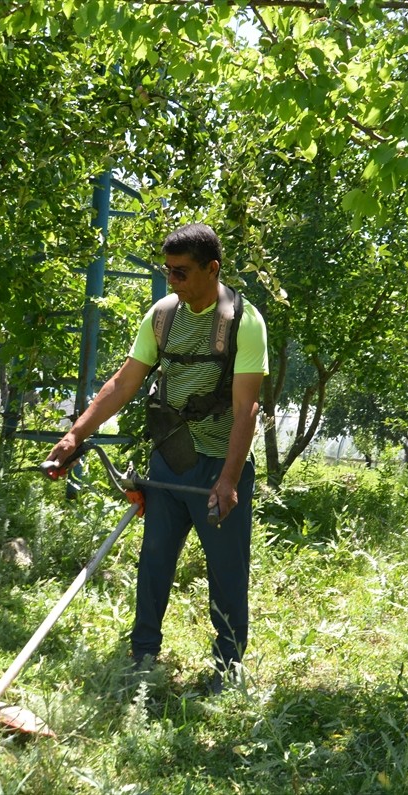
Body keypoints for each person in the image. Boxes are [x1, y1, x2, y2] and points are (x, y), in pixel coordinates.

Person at [46, 223, 269, 693]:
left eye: (183, 273)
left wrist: (228, 481)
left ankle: (227, 671)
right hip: (172, 459)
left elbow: (247, 407)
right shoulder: (163, 316)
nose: (174, 282)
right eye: (168, 272)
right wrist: (75, 436)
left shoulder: (243, 321)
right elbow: (123, 385)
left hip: (220, 466)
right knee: (153, 564)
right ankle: (142, 657)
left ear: (213, 269)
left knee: (227, 575)